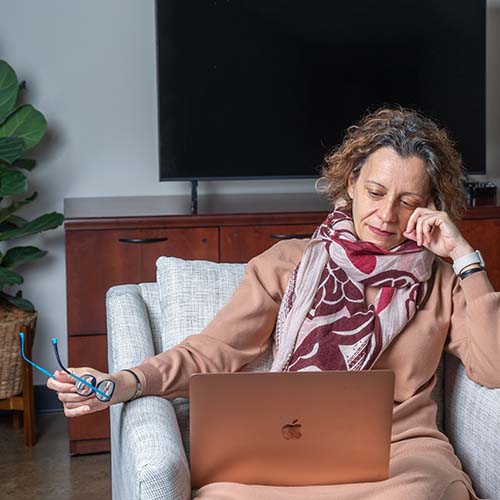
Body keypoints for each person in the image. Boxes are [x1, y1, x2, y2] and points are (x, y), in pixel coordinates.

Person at [49, 106, 500, 500]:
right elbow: (212, 352)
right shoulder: (288, 261)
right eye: (376, 193)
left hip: (399, 458)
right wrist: (124, 381)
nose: (386, 215)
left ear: (430, 207)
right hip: (289, 451)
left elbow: (494, 366)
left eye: (407, 201)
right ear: (351, 185)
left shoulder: (444, 279)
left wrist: (463, 256)